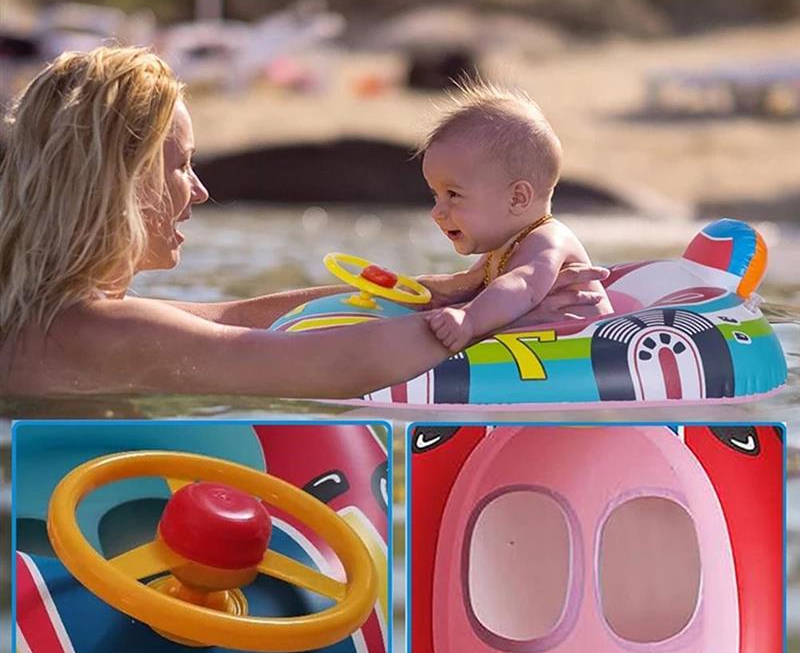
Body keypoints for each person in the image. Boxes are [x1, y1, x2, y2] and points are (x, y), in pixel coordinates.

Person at [0, 47, 608, 398]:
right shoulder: (96, 331)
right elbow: (335, 365)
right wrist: (484, 328)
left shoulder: (60, 315)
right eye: (182, 167)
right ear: (121, 185)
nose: (202, 191)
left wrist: (446, 292)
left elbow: (238, 318)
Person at [422, 81, 613, 353]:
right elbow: (464, 285)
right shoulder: (506, 244)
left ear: (517, 198)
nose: (437, 212)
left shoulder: (548, 239)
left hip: (593, 355)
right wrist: (414, 289)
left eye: (453, 194)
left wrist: (469, 320)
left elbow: (521, 284)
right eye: (435, 195)